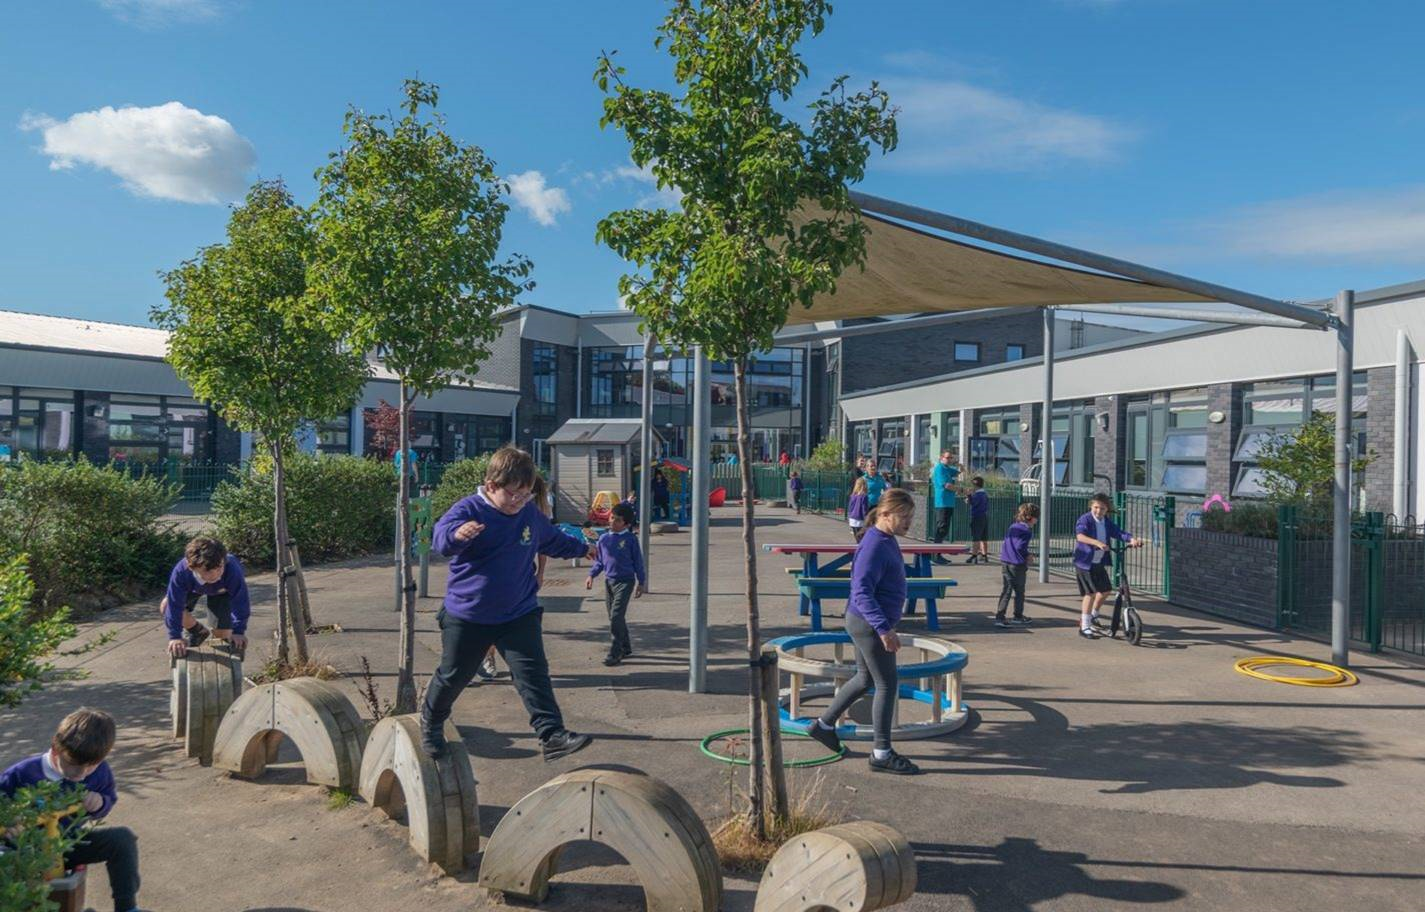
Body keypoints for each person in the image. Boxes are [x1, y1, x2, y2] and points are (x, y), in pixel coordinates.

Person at [423, 446, 597, 762]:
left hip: (519, 610)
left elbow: (551, 539)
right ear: (491, 485)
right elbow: (440, 538)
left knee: (533, 674)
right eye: (513, 494)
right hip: (470, 614)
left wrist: (583, 549)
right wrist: (458, 535)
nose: (519, 501)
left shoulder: (528, 513)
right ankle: (431, 725)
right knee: (454, 676)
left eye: (526, 495)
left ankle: (552, 735)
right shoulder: (469, 510)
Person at [805, 488, 920, 776]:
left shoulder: (885, 538)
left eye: (910, 517)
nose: (908, 522)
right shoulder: (875, 545)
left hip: (866, 621)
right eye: (903, 517)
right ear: (884, 514)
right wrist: (883, 629)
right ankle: (881, 752)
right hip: (869, 623)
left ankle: (824, 725)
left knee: (865, 678)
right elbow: (861, 592)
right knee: (886, 684)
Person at [1, 709, 145, 912]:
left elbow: (108, 798)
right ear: (55, 748)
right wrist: (9, 823)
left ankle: (127, 907)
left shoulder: (100, 771)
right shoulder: (22, 773)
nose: (81, 774)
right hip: (23, 849)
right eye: (73, 764)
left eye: (91, 767)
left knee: (122, 839)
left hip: (68, 843)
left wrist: (100, 803)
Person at [160, 537, 249, 659]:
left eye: (219, 568)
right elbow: (174, 604)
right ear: (192, 567)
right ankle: (198, 632)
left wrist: (238, 631)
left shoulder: (232, 568)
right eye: (207, 571)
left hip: (222, 591)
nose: (215, 575)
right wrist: (175, 637)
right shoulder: (182, 572)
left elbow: (240, 601)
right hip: (193, 588)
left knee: (222, 637)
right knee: (166, 606)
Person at [1073, 493, 1143, 640]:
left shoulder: (1106, 521)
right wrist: (1097, 543)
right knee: (1090, 593)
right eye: (1096, 507)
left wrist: (1132, 539)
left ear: (1107, 509)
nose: (1099, 511)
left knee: (1105, 590)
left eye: (1102, 508)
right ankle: (1084, 626)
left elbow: (1118, 532)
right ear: (1091, 506)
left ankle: (1093, 616)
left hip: (1098, 562)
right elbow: (1080, 536)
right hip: (1085, 563)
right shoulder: (1085, 519)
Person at [584, 502, 646, 667]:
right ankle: (626, 646)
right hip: (609, 582)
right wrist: (591, 575)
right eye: (611, 518)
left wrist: (641, 582)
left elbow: (638, 562)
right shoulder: (603, 539)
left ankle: (615, 651)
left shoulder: (630, 539)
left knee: (616, 616)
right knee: (614, 617)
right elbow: (600, 561)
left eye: (617, 520)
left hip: (626, 582)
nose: (612, 522)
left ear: (626, 524)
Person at [994, 503, 1040, 628]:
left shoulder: (1013, 526)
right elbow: (1020, 547)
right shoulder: (1027, 531)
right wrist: (1028, 555)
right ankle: (1018, 616)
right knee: (1019, 591)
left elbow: (1009, 543)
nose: (1037, 520)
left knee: (1006, 589)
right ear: (1031, 517)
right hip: (1017, 564)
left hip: (1006, 561)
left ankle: (1000, 616)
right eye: (1037, 517)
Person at [929, 451, 960, 564]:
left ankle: (938, 554)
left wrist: (960, 467)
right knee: (941, 528)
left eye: (951, 458)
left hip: (949, 503)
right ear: (941, 458)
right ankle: (935, 555)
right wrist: (960, 490)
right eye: (947, 457)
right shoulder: (940, 469)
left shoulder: (948, 469)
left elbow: (959, 473)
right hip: (942, 502)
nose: (949, 459)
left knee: (944, 529)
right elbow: (946, 485)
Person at [966, 476, 991, 564]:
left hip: (976, 517)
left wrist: (969, 495)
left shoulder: (977, 495)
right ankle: (984, 556)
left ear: (975, 485)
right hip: (984, 516)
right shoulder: (984, 494)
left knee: (976, 537)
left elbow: (973, 503)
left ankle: (974, 556)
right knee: (984, 537)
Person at [846, 476, 870, 541]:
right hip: (860, 520)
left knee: (857, 538)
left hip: (852, 519)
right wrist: (867, 519)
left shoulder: (853, 495)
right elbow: (864, 509)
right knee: (862, 539)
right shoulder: (864, 496)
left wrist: (849, 516)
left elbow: (850, 507)